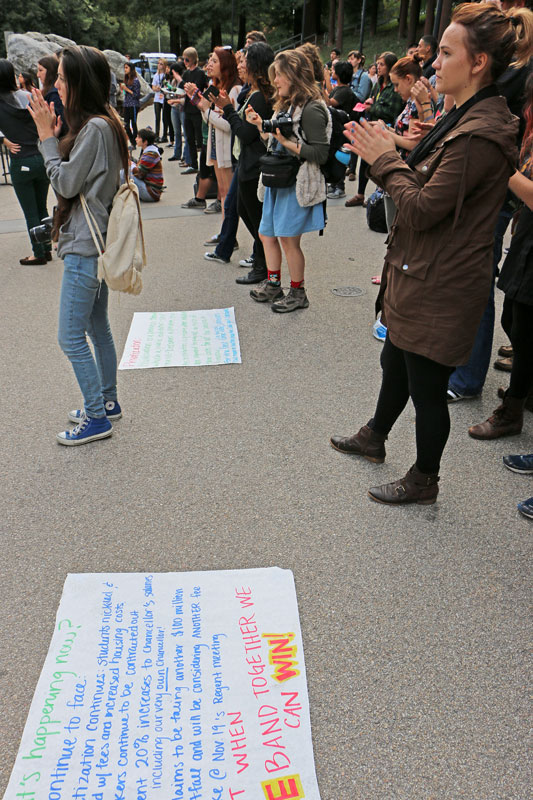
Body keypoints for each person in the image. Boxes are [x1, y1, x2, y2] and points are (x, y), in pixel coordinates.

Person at [330, 2, 519, 505]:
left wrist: (383, 159)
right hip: (424, 268)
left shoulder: (480, 131)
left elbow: (421, 207)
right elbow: (426, 173)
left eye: (445, 53)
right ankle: (375, 436)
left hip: (444, 276)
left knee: (428, 388)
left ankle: (424, 479)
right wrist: (392, 146)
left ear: (478, 63)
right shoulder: (466, 115)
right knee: (396, 358)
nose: (433, 64)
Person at [28, 45, 129, 445]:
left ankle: (96, 417)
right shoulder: (104, 123)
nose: (56, 86)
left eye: (63, 79)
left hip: (86, 247)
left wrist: (44, 140)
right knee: (96, 326)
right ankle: (107, 402)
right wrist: (54, 137)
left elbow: (66, 183)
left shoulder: (96, 128)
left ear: (80, 84)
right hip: (96, 242)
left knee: (70, 336)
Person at [468, 71, 533, 443]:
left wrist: (501, 165)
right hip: (527, 235)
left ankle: (513, 408)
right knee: (514, 317)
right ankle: (523, 391)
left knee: (523, 324)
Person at [245, 48, 330, 312]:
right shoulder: (290, 104)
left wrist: (284, 141)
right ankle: (273, 284)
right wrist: (262, 126)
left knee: (288, 240)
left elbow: (320, 153)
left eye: (279, 75)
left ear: (294, 75)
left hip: (296, 182)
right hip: (278, 181)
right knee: (266, 233)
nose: (275, 81)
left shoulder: (313, 109)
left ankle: (297, 292)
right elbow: (276, 142)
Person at [206, 42, 275, 277]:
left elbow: (245, 134)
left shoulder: (259, 98)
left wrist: (227, 109)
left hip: (253, 165)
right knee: (244, 211)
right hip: (247, 163)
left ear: (256, 65)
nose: (241, 65)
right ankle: (261, 264)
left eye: (244, 60)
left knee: (255, 218)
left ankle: (263, 267)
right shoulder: (254, 93)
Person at [0, 59, 51, 265]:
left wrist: (4, 141)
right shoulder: (28, 96)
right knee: (42, 208)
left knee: (30, 211)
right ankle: (47, 248)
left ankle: (38, 253)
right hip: (41, 156)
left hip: (20, 160)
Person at [345, 51, 403, 207]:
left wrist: (372, 107)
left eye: (382, 64)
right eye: (377, 63)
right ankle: (360, 194)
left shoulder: (395, 86)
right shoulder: (378, 84)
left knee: (383, 164)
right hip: (372, 127)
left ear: (390, 67)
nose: (378, 67)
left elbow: (392, 112)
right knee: (365, 161)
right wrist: (368, 104)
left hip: (387, 131)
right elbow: (372, 102)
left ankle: (382, 195)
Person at [188, 47, 241, 217]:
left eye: (215, 61)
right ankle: (225, 233)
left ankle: (228, 235)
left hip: (225, 148)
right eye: (210, 60)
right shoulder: (217, 87)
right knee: (224, 192)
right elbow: (208, 119)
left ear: (225, 65)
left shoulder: (234, 89)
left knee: (228, 193)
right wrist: (200, 102)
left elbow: (228, 124)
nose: (210, 64)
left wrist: (205, 109)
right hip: (215, 146)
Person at [180, 47, 208, 173]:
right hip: (187, 109)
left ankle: (203, 164)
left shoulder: (200, 73)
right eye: (184, 59)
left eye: (186, 59)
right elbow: (183, 89)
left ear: (192, 59)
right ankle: (193, 163)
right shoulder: (186, 74)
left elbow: (196, 90)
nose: (185, 62)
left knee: (200, 138)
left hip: (197, 109)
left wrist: (190, 89)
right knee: (189, 138)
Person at [132, 127, 164, 201]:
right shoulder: (149, 152)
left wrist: (131, 165)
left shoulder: (150, 154)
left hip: (152, 192)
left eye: (138, 137)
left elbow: (139, 174)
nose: (136, 139)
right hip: (150, 189)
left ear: (145, 142)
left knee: (124, 174)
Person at [37, 54, 66, 134]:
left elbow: (61, 122)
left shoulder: (55, 95)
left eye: (40, 70)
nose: (38, 75)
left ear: (50, 71)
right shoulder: (48, 92)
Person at [167, 61, 185, 162]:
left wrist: (176, 100)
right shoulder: (174, 81)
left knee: (185, 133)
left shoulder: (183, 81)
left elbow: (185, 96)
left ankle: (186, 156)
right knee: (176, 132)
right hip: (174, 107)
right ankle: (177, 153)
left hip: (182, 107)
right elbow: (172, 92)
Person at [121, 61, 141, 148]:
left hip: (133, 104)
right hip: (126, 104)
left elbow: (136, 95)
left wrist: (127, 89)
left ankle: (134, 142)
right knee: (126, 124)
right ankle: (132, 141)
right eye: (124, 68)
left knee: (133, 123)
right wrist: (123, 89)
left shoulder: (135, 81)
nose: (125, 70)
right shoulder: (126, 80)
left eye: (127, 68)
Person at [151, 58, 167, 141]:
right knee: (157, 117)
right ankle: (157, 135)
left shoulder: (166, 75)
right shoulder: (156, 75)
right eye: (158, 63)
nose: (159, 65)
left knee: (165, 118)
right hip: (157, 98)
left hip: (164, 97)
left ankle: (165, 135)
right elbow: (153, 87)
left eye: (161, 64)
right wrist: (156, 88)